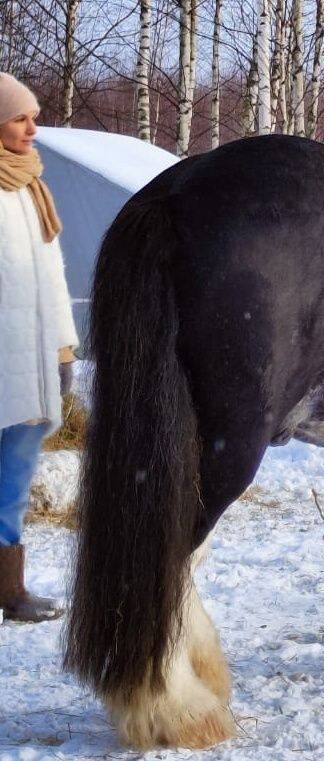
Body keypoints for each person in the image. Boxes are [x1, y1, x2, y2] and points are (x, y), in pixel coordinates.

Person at [0, 72, 78, 623]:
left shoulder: (30, 187)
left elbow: (52, 277)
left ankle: (8, 589)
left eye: (34, 116)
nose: (34, 127)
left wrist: (65, 351)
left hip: (29, 365)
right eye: (20, 117)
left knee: (14, 478)